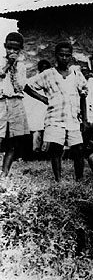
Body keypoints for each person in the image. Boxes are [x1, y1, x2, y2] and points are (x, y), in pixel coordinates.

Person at [25, 42, 88, 182]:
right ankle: (58, 180)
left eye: (67, 55)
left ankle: (79, 179)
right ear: (56, 55)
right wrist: (42, 98)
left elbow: (83, 95)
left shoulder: (77, 75)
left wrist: (85, 119)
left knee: (78, 149)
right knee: (56, 150)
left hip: (73, 118)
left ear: (71, 57)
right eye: (61, 55)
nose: (64, 58)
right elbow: (27, 86)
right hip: (55, 118)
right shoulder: (48, 74)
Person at [0, 32, 30, 177]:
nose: (12, 51)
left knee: (13, 140)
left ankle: (4, 173)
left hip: (16, 102)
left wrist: (15, 68)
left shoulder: (22, 66)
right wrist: (8, 65)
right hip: (1, 102)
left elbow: (20, 87)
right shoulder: (0, 62)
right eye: (9, 48)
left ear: (20, 50)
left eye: (16, 49)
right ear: (5, 47)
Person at [23, 59, 51, 157]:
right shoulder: (32, 81)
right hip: (35, 112)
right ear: (39, 70)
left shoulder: (51, 83)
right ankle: (36, 152)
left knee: (47, 132)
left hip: (47, 113)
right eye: (42, 70)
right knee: (37, 131)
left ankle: (45, 153)